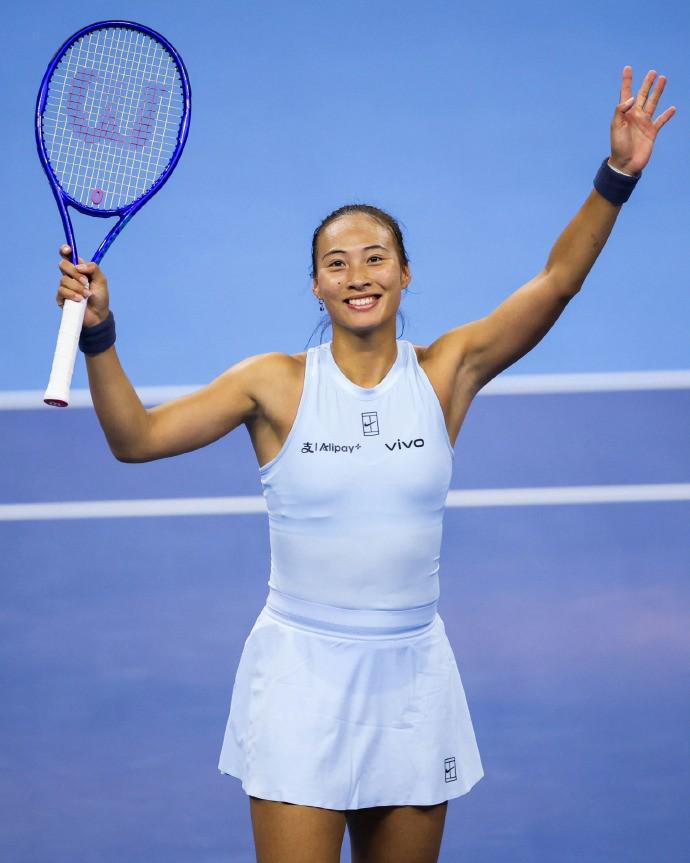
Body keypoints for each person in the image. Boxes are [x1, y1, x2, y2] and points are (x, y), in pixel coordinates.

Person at [55, 67, 674, 863]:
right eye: (338, 263)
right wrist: (99, 334)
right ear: (316, 285)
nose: (358, 277)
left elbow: (557, 283)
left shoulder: (448, 372)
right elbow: (135, 438)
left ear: (405, 273)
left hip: (412, 681)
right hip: (299, 680)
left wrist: (617, 174)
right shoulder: (272, 384)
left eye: (376, 258)